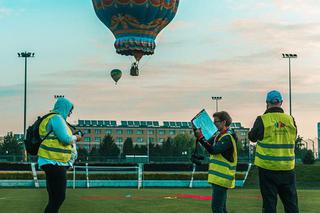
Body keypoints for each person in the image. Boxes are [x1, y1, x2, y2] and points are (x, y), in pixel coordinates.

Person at [248, 90, 299, 213]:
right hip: (287, 169)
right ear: (281, 102)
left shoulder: (262, 119)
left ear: (267, 103)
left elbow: (252, 137)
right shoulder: (290, 119)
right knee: (291, 205)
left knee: (269, 205)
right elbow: (294, 137)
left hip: (268, 169)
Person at [37, 97, 82, 213]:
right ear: (64, 108)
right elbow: (65, 139)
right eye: (70, 110)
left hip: (51, 161)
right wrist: (77, 137)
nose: (70, 113)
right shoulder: (57, 118)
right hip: (54, 162)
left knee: (54, 198)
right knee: (59, 197)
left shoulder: (55, 118)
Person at [194, 111, 238, 213]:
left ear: (224, 122)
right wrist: (198, 133)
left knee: (217, 208)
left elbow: (213, 150)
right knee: (221, 208)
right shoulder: (220, 135)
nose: (214, 124)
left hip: (222, 178)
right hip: (220, 178)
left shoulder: (227, 137)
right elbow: (208, 143)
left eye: (216, 122)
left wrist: (200, 137)